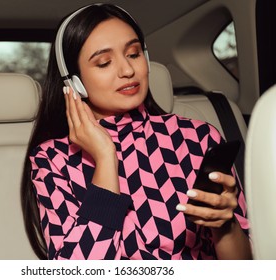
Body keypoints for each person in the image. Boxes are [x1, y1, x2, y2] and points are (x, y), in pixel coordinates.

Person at [21, 3, 252, 260]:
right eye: (104, 62)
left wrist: (225, 225)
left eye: (133, 54)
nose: (128, 71)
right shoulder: (51, 158)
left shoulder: (198, 137)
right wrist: (106, 158)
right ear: (74, 82)